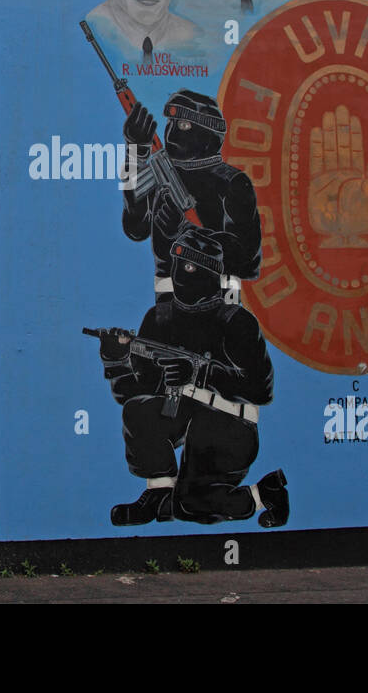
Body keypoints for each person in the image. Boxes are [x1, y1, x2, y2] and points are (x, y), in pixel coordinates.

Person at [96, 229, 288, 527]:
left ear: (213, 276)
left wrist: (201, 373)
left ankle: (264, 493)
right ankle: (160, 493)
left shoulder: (236, 322)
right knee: (139, 412)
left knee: (190, 506)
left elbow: (261, 389)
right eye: (180, 265)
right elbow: (134, 394)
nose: (184, 276)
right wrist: (116, 360)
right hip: (183, 414)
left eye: (193, 269)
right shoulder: (159, 318)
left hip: (228, 423)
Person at [121, 88, 261, 300]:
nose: (172, 134)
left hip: (221, 301)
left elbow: (248, 261)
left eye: (184, 125)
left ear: (209, 135)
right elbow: (135, 228)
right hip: (168, 299)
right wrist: (136, 151)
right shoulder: (162, 172)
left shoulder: (232, 182)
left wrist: (186, 230)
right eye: (171, 123)